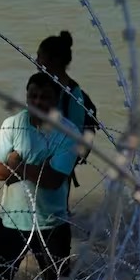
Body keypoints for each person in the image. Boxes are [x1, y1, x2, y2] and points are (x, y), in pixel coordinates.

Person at [0, 72, 78, 280]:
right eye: (33, 96)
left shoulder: (68, 132)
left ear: (57, 99)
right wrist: (39, 166)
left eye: (45, 97)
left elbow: (53, 181)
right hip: (12, 220)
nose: (37, 102)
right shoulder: (12, 124)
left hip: (51, 222)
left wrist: (17, 162)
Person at [36, 30, 97, 195]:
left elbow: (74, 133)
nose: (36, 61)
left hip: (62, 156)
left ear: (54, 60)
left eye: (40, 56)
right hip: (46, 153)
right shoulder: (44, 87)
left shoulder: (73, 93)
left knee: (58, 196)